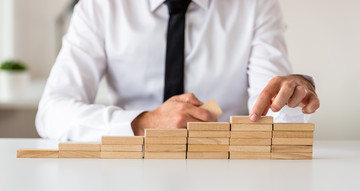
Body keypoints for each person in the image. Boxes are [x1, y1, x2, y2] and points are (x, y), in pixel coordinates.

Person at [36, 0, 320, 141]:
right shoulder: (99, 6)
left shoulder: (255, 5)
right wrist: (141, 123)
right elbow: (51, 113)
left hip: (227, 175)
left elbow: (274, 118)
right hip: (125, 172)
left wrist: (291, 97)